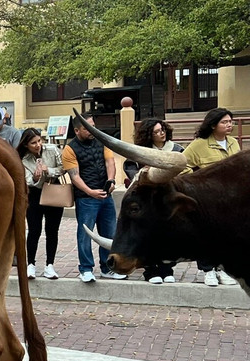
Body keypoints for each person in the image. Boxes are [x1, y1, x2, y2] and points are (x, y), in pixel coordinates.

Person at [62, 115, 124, 283]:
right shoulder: (70, 149)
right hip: (86, 199)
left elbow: (110, 162)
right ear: (77, 130)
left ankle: (108, 268)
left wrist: (111, 180)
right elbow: (74, 176)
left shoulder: (101, 140)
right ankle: (86, 269)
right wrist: (90, 192)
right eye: (87, 128)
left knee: (110, 233)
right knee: (85, 234)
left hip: (106, 196)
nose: (92, 131)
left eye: (93, 127)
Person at [183, 108, 241, 287]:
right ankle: (208, 270)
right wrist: (198, 184)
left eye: (230, 121)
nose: (229, 125)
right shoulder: (199, 145)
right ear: (213, 125)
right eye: (225, 122)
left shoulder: (233, 143)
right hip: (208, 201)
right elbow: (182, 167)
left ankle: (222, 270)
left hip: (231, 200)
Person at [122, 118, 184, 284]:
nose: (161, 133)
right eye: (157, 131)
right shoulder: (141, 152)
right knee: (148, 234)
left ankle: (167, 269)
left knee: (168, 234)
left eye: (162, 129)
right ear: (149, 134)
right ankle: (150, 270)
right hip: (147, 200)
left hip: (167, 197)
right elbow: (130, 168)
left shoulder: (176, 149)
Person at [17, 128, 64, 280]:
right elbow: (28, 181)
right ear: (26, 145)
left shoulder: (52, 149)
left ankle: (50, 265)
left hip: (54, 190)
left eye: (39, 141)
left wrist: (48, 170)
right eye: (33, 143)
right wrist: (37, 178)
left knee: (52, 230)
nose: (38, 145)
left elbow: (63, 168)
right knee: (34, 230)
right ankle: (31, 264)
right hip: (35, 195)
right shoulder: (23, 160)